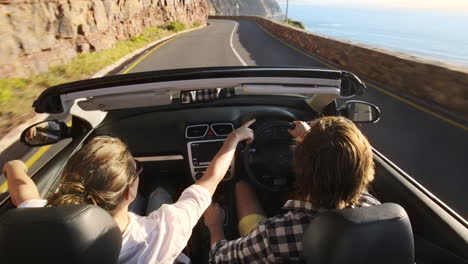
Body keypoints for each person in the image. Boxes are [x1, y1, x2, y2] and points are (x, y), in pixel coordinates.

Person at [2, 119, 256, 264]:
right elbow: (211, 179)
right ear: (128, 193)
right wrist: (233, 137)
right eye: (136, 173)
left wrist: (14, 165)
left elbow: (22, 193)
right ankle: (157, 191)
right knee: (159, 195)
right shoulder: (165, 230)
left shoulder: (50, 227)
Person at [204, 116, 380, 263]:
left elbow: (220, 257)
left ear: (299, 168)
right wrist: (309, 138)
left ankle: (240, 182)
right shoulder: (377, 211)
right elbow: (339, 167)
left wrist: (214, 225)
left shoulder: (278, 235)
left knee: (241, 184)